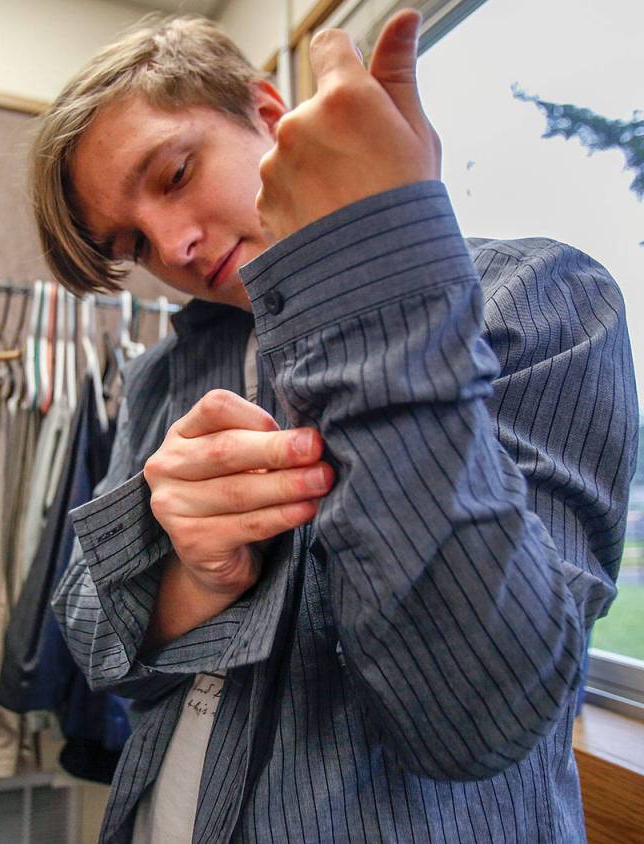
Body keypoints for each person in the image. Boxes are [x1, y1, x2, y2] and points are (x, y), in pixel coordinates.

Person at [31, 9, 637, 843]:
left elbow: (479, 717)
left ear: (270, 116)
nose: (173, 247)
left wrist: (374, 274)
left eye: (175, 174)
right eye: (133, 243)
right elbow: (92, 641)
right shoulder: (160, 378)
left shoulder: (537, 298)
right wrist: (197, 581)